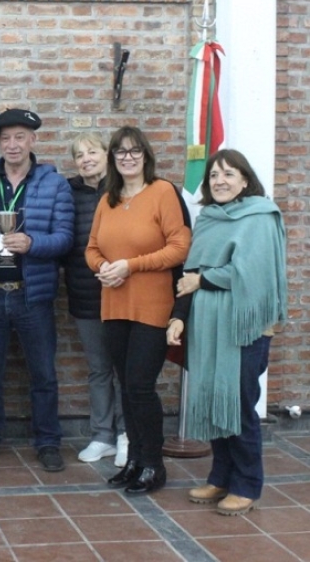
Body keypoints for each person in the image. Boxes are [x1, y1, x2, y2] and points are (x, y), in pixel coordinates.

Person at [168, 149, 286, 516]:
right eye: (214, 175)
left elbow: (252, 276)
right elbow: (189, 276)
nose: (220, 181)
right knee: (213, 400)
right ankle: (221, 476)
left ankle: (247, 484)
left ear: (245, 180)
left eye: (228, 174)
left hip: (244, 330)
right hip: (207, 328)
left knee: (238, 406)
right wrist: (179, 317)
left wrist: (203, 279)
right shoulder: (208, 220)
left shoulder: (261, 218)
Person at [85, 125, 191, 495]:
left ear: (145, 155)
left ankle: (153, 464)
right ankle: (133, 460)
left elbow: (179, 247)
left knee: (141, 387)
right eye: (120, 152)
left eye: (134, 151)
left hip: (152, 306)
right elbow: (92, 247)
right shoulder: (107, 198)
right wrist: (103, 268)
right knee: (125, 387)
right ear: (113, 159)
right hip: (114, 305)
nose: (127, 157)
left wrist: (130, 265)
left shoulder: (162, 193)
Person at [0, 109, 74, 472]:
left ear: (33, 140)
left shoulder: (54, 184)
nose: (12, 145)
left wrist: (33, 243)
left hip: (33, 294)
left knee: (43, 373)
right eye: (5, 138)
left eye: (19, 137)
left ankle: (48, 441)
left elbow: (65, 238)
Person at [64, 132, 127, 467]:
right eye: (79, 155)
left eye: (92, 152)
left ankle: (128, 435)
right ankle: (102, 435)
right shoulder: (68, 192)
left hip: (124, 291)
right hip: (85, 294)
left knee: (127, 369)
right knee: (99, 368)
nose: (86, 159)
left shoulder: (125, 189)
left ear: (107, 155)